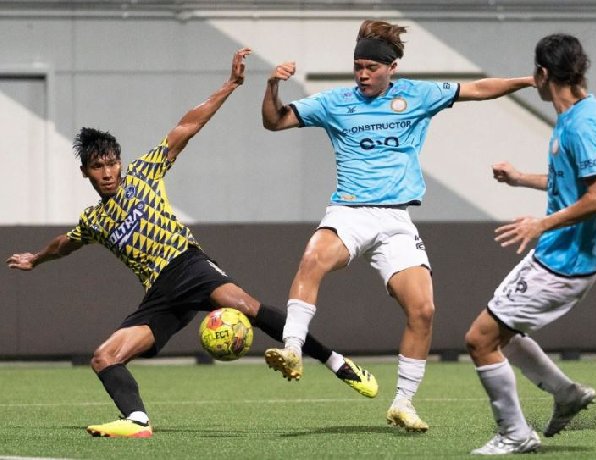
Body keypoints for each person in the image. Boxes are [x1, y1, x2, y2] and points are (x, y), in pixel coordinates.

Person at [5, 48, 377, 439]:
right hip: (160, 295)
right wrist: (36, 258)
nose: (108, 172)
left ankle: (336, 362)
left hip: (187, 264)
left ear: (121, 160)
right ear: (86, 173)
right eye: (98, 167)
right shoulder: (94, 220)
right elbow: (66, 242)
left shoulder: (143, 173)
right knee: (104, 357)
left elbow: (187, 126)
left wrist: (231, 85)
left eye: (112, 162)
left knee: (246, 306)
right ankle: (136, 421)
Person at [260, 19, 534, 432]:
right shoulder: (335, 102)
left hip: (396, 219)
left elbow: (478, 89)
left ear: (392, 68)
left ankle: (403, 403)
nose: (363, 74)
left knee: (423, 309)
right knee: (314, 257)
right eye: (358, 66)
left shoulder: (417, 95)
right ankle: (293, 349)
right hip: (351, 212)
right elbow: (275, 122)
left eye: (371, 67)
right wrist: (271, 87)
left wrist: (530, 80)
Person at [465, 33, 596, 455]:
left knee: (480, 339)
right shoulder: (580, 115)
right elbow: (573, 183)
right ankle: (566, 395)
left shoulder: (583, 125)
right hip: (556, 255)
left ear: (543, 74)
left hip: (563, 262)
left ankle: (515, 434)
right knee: (504, 334)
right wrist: (520, 179)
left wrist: (541, 223)